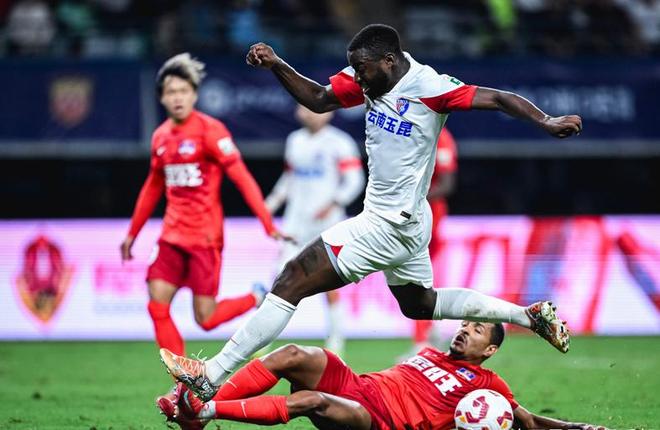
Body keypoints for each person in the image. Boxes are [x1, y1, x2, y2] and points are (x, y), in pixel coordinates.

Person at [160, 24, 582, 401]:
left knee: (292, 278)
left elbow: (499, 98)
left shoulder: (430, 87)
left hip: (388, 223)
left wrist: (546, 121)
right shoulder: (368, 78)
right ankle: (527, 316)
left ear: (389, 61)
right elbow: (319, 99)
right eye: (355, 70)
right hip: (409, 222)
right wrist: (277, 65)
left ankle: (211, 375)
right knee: (420, 304)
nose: (357, 78)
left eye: (363, 69)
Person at [120, 53, 288, 363]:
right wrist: (132, 233)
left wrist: (267, 224)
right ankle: (183, 378)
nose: (177, 97)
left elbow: (241, 177)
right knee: (157, 304)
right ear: (162, 98)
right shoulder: (160, 137)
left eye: (183, 91)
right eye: (171, 92)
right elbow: (153, 186)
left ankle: (256, 296)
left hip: (204, 238)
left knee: (206, 319)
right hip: (171, 237)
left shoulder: (211, 131)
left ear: (194, 94)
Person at [157, 321, 604, 430]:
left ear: (489, 350)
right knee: (293, 353)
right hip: (358, 385)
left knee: (311, 401)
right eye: (466, 324)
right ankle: (202, 400)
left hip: (377, 420)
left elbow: (526, 422)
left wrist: (576, 428)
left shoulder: (488, 388)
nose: (465, 330)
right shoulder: (431, 352)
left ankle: (204, 413)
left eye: (477, 330)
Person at [265, 104, 366, 355]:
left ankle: (336, 340)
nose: (310, 113)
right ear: (298, 112)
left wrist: (334, 202)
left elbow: (355, 180)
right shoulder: (295, 141)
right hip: (295, 225)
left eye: (316, 109)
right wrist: (269, 205)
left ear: (329, 112)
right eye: (305, 109)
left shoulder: (340, 142)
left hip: (327, 226)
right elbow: (289, 179)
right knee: (279, 281)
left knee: (329, 284)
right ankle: (264, 339)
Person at [411, 127, 458, 354]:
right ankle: (431, 332)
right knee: (419, 276)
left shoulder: (442, 137)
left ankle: (423, 341)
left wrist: (411, 199)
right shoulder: (410, 129)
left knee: (417, 275)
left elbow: (447, 184)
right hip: (410, 212)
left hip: (428, 214)